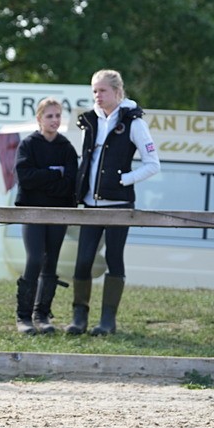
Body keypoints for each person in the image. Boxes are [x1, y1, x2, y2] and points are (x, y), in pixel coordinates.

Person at [69, 70, 160, 336]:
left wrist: (124, 180)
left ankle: (108, 321)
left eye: (103, 91)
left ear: (118, 92)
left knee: (113, 258)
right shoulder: (89, 121)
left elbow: (153, 164)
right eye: (94, 91)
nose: (97, 96)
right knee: (83, 260)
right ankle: (79, 317)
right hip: (90, 205)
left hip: (119, 205)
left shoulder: (134, 123)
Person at [13, 98, 79, 334]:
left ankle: (41, 315)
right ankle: (23, 317)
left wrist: (43, 180)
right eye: (50, 116)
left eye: (58, 115)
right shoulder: (28, 145)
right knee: (35, 259)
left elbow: (71, 183)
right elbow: (25, 178)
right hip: (32, 211)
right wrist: (54, 175)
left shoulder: (66, 148)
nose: (54, 120)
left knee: (51, 260)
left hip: (58, 212)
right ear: (39, 118)